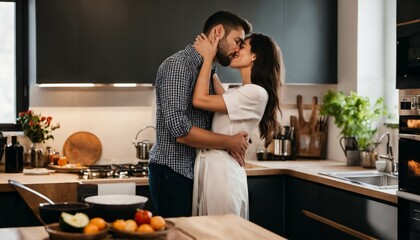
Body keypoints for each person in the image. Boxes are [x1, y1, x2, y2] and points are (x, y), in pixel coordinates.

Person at [149, 11, 252, 218]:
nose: (237, 49)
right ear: (219, 32)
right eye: (237, 41)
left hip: (194, 172)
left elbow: (228, 111)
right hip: (172, 171)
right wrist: (229, 142)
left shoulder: (208, 71)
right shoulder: (178, 66)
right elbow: (180, 129)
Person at [191, 32, 284, 218]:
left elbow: (200, 99)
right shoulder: (242, 91)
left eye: (242, 46)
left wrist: (208, 58)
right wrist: (212, 51)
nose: (235, 50)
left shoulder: (256, 92)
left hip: (224, 175)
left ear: (254, 56)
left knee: (221, 234)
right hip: (216, 169)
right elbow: (220, 94)